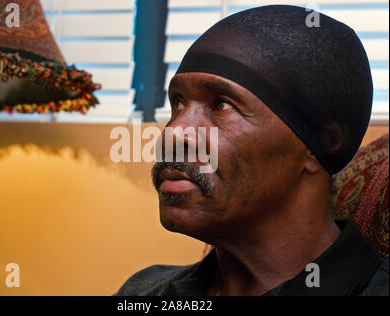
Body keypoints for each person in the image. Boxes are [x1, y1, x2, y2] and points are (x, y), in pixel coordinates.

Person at [115, 5, 389, 296]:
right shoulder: (144, 290)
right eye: (178, 103)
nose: (172, 133)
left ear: (318, 144)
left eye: (221, 105)